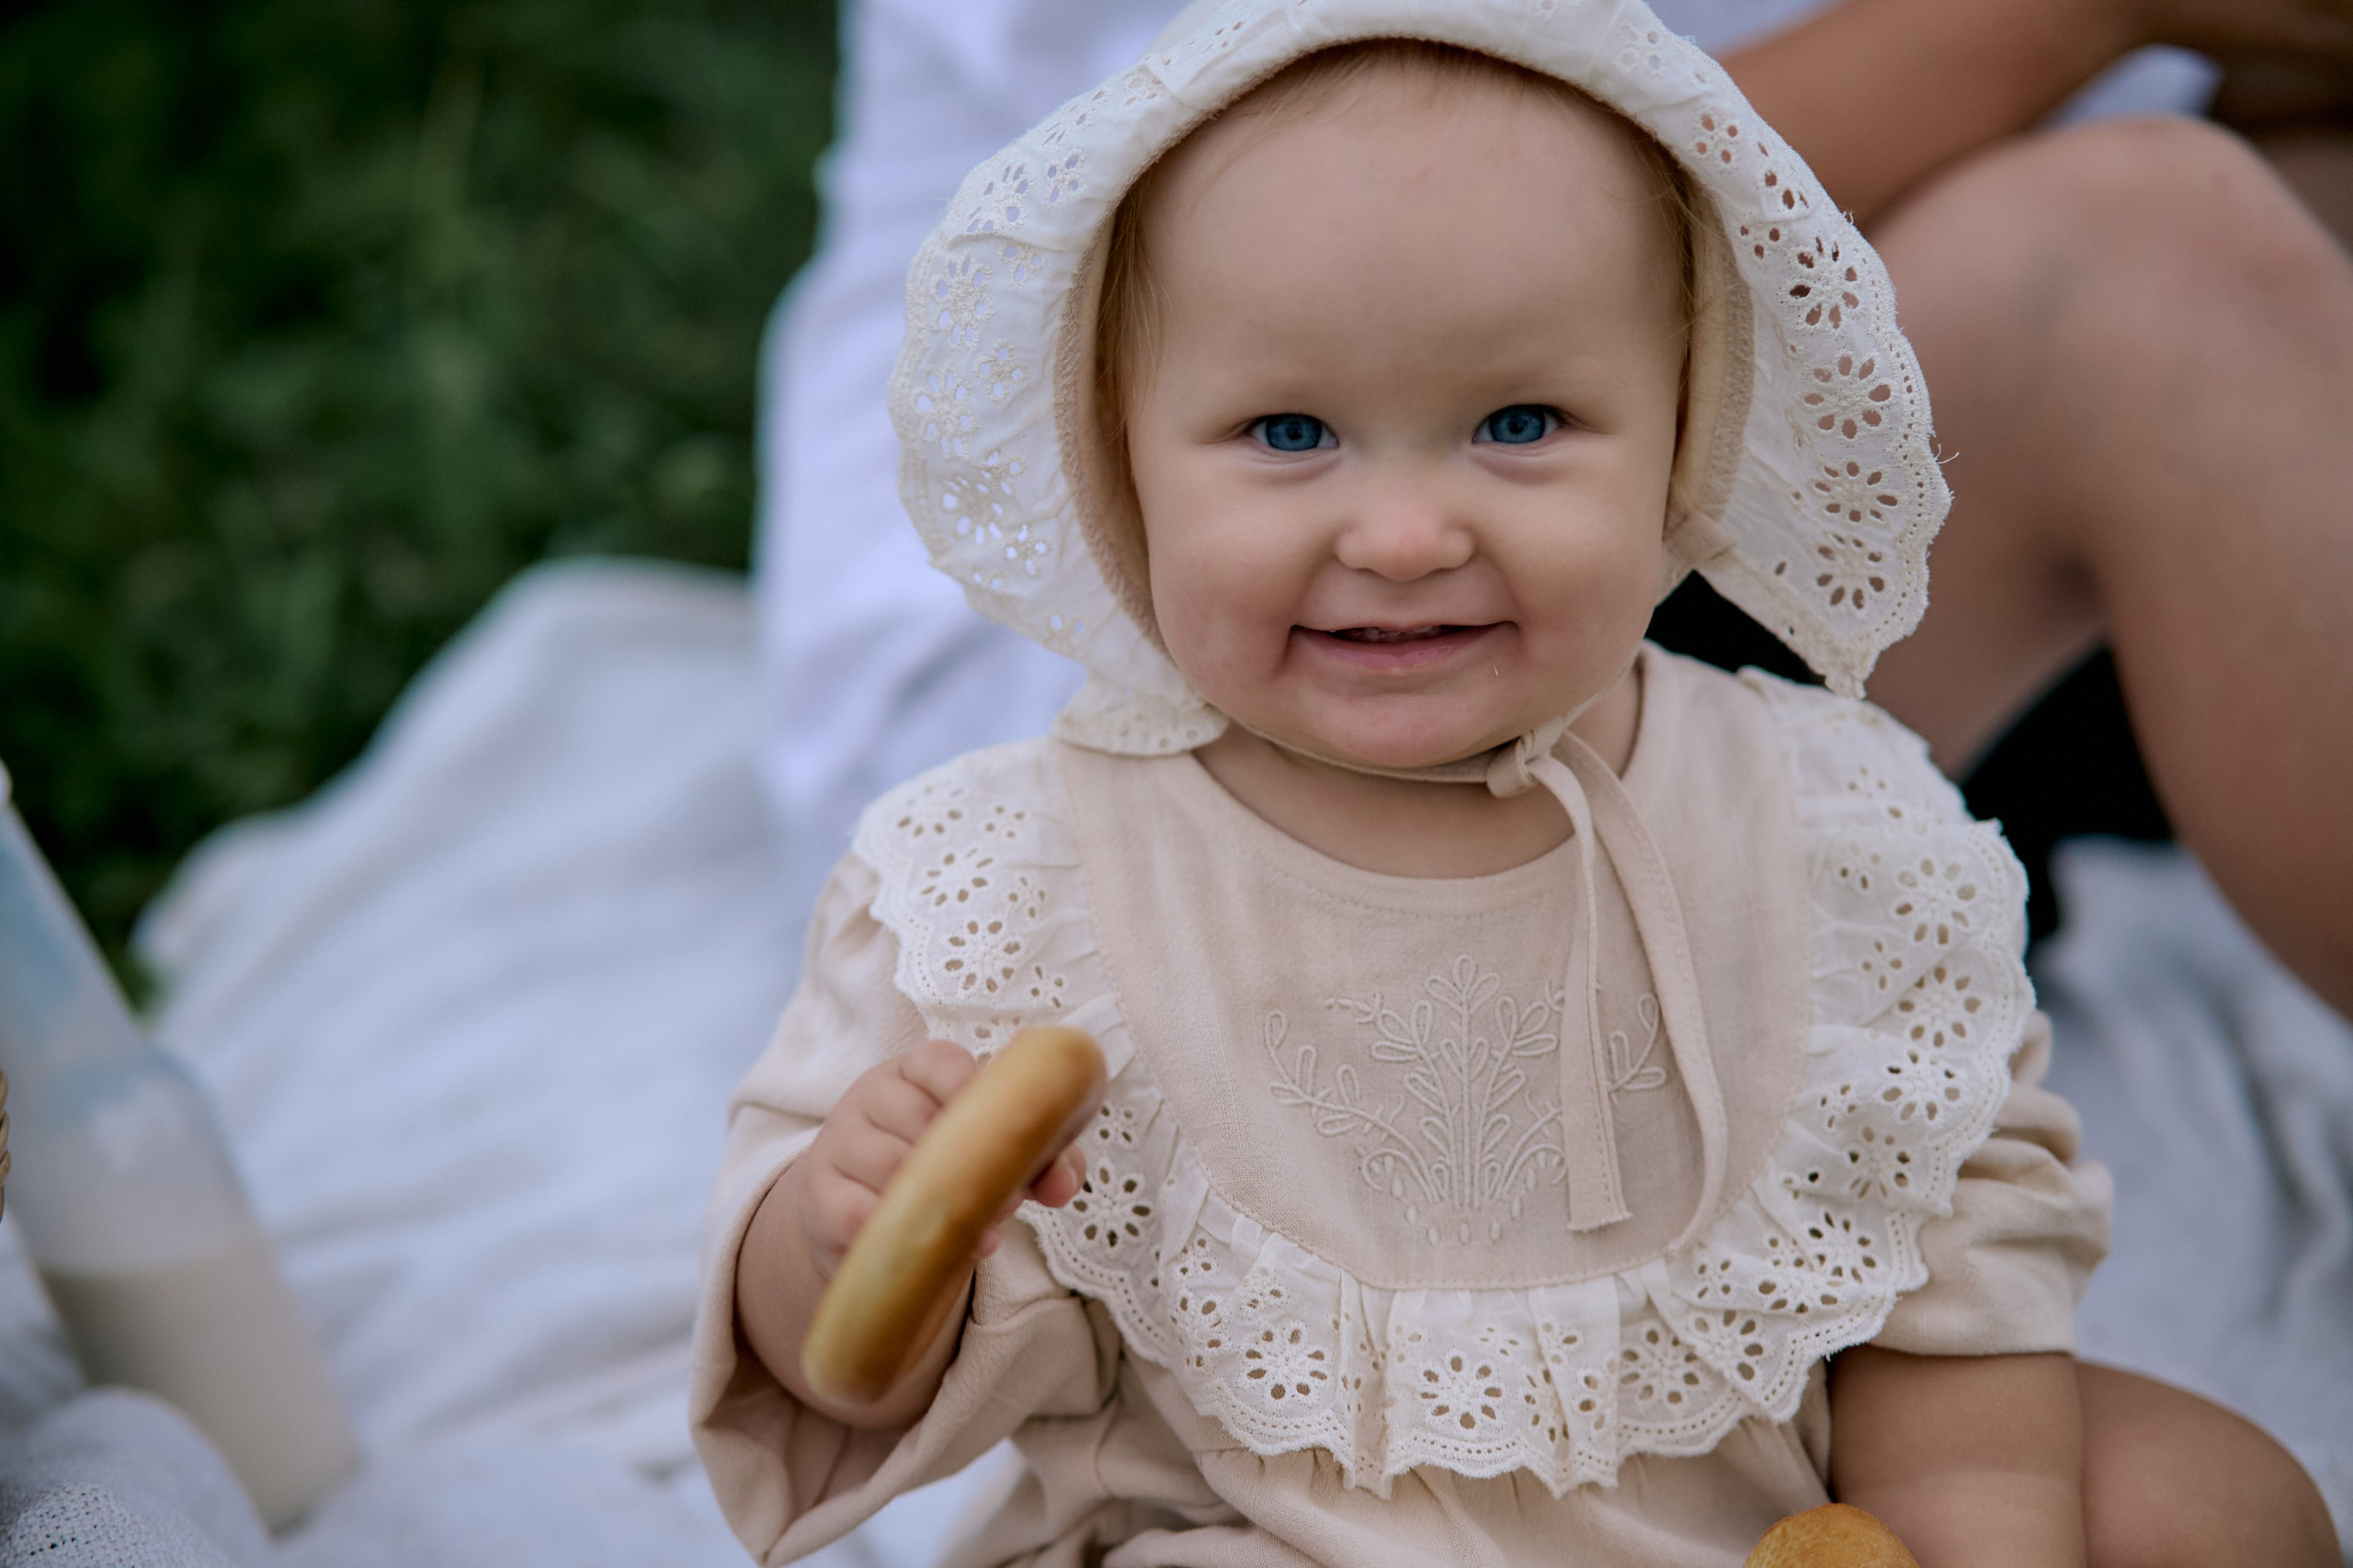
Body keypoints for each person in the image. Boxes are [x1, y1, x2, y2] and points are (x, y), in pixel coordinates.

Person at [698, 9, 2336, 1563]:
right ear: (1116, 468)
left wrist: (1956, 1532)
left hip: (1765, 1496)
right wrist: (837, 1239)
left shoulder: (1832, 818)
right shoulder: (1021, 885)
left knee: (2216, 1500)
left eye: (1521, 421)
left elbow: (1938, 1270)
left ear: (1692, 443)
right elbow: (844, 1367)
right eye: (1287, 433)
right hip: (1285, 1525)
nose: (1405, 536)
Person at [755, 0, 2353, 1024]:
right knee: (2146, 266)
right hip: (1130, 668)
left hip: (1670, 548)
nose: (1403, 539)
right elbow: (1397, 252)